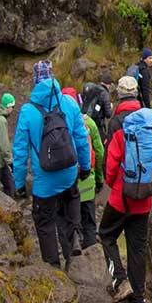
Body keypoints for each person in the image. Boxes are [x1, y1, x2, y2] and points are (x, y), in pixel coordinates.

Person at [12, 61, 91, 269]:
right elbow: (81, 139)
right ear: (53, 77)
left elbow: (20, 153)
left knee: (45, 222)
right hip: (69, 172)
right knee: (71, 199)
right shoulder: (69, 103)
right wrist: (86, 167)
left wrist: (19, 184)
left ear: (35, 80)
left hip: (44, 180)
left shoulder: (27, 111)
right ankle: (73, 238)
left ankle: (53, 267)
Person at [99, 75, 152, 303]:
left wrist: (112, 184)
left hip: (122, 196)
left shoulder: (117, 123)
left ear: (119, 95)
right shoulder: (149, 119)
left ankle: (121, 281)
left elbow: (111, 163)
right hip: (145, 196)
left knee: (106, 234)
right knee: (137, 248)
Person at [62, 87, 105, 250]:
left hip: (66, 180)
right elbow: (99, 152)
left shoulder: (56, 122)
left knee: (69, 218)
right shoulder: (89, 123)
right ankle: (92, 252)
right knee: (89, 220)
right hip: (87, 179)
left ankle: (71, 251)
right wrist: (100, 179)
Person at [81, 73, 113, 142]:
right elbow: (108, 114)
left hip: (85, 120)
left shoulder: (92, 89)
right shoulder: (105, 93)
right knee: (99, 143)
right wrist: (110, 107)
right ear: (109, 85)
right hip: (98, 125)